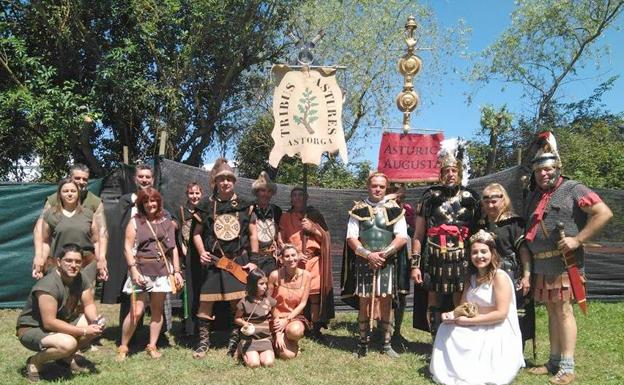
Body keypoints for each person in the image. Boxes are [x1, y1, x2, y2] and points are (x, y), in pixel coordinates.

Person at [523, 132, 612, 385]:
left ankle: (568, 366)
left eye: (549, 169)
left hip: (565, 262)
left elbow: (603, 213)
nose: (544, 174)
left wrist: (577, 239)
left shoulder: (573, 188)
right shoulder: (534, 196)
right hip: (543, 263)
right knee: (552, 312)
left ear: (558, 168)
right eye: (539, 170)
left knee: (563, 311)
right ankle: (553, 361)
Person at [430, 230, 525, 385]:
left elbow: (501, 314)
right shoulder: (471, 278)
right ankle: (452, 370)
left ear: (492, 253)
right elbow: (463, 307)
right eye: (475, 252)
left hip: (496, 327)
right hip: (474, 322)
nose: (479, 256)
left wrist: (469, 321)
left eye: (483, 252)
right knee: (445, 329)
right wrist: (452, 314)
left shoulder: (499, 277)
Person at [411, 141, 480, 338]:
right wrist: (415, 265)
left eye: (453, 170)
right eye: (446, 171)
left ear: (459, 173)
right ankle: (436, 340)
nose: (450, 174)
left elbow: (479, 230)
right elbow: (418, 234)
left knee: (461, 299)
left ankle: (459, 339)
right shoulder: (430, 197)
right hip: (435, 256)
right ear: (440, 174)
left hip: (463, 256)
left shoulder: (471, 198)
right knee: (434, 298)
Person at [191, 158, 258, 358]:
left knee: (237, 304)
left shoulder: (246, 205)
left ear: (234, 181)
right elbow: (196, 233)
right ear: (216, 182)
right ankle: (203, 343)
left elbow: (253, 234)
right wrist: (202, 251)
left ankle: (234, 343)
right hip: (213, 261)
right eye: (222, 179)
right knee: (205, 302)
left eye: (229, 179)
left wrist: (253, 259)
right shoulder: (205, 205)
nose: (226, 182)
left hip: (236, 261)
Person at [341, 173, 410, 358]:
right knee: (364, 301)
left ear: (386, 188)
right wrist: (369, 255)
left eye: (381, 186)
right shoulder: (358, 209)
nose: (377, 189)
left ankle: (386, 344)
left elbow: (402, 237)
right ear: (368, 186)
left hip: (387, 262)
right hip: (365, 262)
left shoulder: (395, 209)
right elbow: (351, 237)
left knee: (386, 300)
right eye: (374, 186)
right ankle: (362, 343)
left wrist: (384, 254)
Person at [16, 243, 103, 382]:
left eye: (78, 261)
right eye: (68, 260)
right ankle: (34, 362)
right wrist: (84, 331)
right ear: (58, 262)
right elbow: (49, 323)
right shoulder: (48, 285)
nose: (73, 265)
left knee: (93, 322)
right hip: (32, 329)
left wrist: (95, 322)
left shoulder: (80, 277)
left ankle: (65, 358)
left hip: (60, 321)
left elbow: (89, 304)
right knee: (68, 344)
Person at [117, 187, 184, 360]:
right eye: (146, 201)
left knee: (157, 310)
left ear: (158, 202)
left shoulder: (167, 222)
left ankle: (152, 345)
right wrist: (133, 270)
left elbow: (173, 249)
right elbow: (127, 247)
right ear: (141, 204)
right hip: (140, 271)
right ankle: (123, 347)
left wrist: (176, 271)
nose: (150, 204)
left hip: (162, 272)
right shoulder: (135, 221)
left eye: (153, 200)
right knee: (136, 311)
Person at [477, 183, 535, 347]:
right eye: (486, 201)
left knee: (515, 315)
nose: (490, 205)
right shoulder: (481, 224)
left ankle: (516, 352)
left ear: (504, 200)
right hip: (486, 276)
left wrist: (527, 276)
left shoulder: (514, 223)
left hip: (511, 275)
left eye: (494, 200)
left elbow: (524, 251)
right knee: (489, 311)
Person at [101, 163, 157, 326]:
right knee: (130, 289)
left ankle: (156, 332)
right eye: (141, 176)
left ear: (152, 180)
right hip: (130, 251)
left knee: (155, 292)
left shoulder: (156, 198)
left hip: (150, 252)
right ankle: (129, 330)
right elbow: (117, 226)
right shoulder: (127, 200)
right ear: (135, 178)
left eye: (147, 177)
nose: (144, 179)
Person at [32, 164, 108, 282]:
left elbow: (102, 232)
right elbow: (39, 230)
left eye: (85, 179)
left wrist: (102, 258)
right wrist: (39, 256)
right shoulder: (53, 200)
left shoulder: (95, 202)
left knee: (86, 295)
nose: (81, 182)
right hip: (59, 259)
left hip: (86, 259)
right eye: (77, 178)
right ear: (70, 178)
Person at [279, 187, 333, 339]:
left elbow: (326, 238)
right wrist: (294, 253)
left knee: (314, 295)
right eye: (294, 195)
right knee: (295, 295)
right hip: (293, 262)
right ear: (291, 198)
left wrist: (313, 229)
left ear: (306, 197)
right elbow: (281, 240)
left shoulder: (314, 215)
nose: (297, 198)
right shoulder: (285, 217)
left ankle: (315, 329)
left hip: (313, 261)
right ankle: (297, 325)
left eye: (300, 195)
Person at [40, 178, 101, 285]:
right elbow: (45, 242)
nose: (69, 194)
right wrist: (40, 262)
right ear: (59, 194)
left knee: (86, 298)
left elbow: (96, 241)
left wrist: (101, 262)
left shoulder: (89, 214)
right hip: (59, 265)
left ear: (78, 194)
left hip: (86, 264)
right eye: (65, 191)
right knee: (61, 299)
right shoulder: (50, 215)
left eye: (73, 191)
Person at [268, 244, 311, 359]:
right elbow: (269, 302)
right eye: (287, 256)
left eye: (293, 255)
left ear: (298, 256)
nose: (291, 259)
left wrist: (286, 320)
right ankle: (275, 339)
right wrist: (277, 329)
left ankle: (291, 340)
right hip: (275, 317)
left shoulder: (307, 276)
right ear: (281, 260)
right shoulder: (274, 275)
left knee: (295, 331)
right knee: (288, 356)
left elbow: (303, 303)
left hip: (293, 317)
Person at [174, 182, 204, 336]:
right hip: (186, 256)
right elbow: (177, 234)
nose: (194, 196)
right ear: (187, 194)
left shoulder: (205, 210)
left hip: (202, 256)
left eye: (197, 193)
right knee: (188, 293)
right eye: (191, 193)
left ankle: (203, 325)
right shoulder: (181, 211)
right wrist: (183, 248)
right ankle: (188, 326)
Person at [386, 182, 414, 344]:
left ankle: (397, 331)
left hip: (403, 255)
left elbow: (414, 230)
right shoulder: (380, 208)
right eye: (397, 196)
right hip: (385, 254)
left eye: (402, 197)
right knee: (385, 294)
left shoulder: (407, 210)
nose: (399, 199)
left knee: (401, 294)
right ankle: (384, 331)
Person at [234, 269, 276, 368]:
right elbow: (236, 318)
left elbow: (275, 316)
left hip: (265, 339)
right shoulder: (244, 302)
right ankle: (241, 346)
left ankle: (262, 352)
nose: (265, 286)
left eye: (265, 283)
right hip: (249, 339)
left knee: (268, 363)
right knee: (254, 364)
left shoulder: (268, 301)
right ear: (253, 285)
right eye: (261, 284)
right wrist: (244, 324)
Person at [251, 171, 282, 274]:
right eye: (263, 190)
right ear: (257, 192)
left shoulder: (276, 210)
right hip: (253, 257)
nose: (266, 194)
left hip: (271, 258)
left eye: (269, 191)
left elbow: (279, 231)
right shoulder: (249, 209)